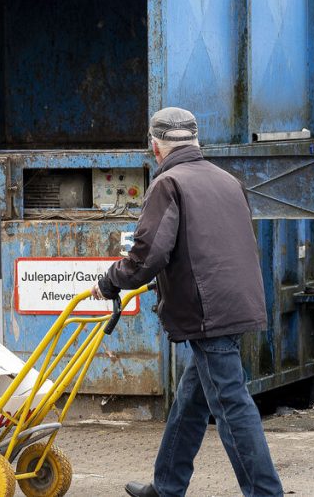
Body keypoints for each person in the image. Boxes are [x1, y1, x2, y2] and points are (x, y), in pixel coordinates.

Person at [91, 107, 284, 497]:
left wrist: (110, 283)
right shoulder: (227, 180)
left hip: (207, 310)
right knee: (191, 401)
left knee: (232, 407)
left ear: (155, 148)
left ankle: (266, 493)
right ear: (196, 141)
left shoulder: (168, 184)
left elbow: (147, 255)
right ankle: (166, 487)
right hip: (237, 302)